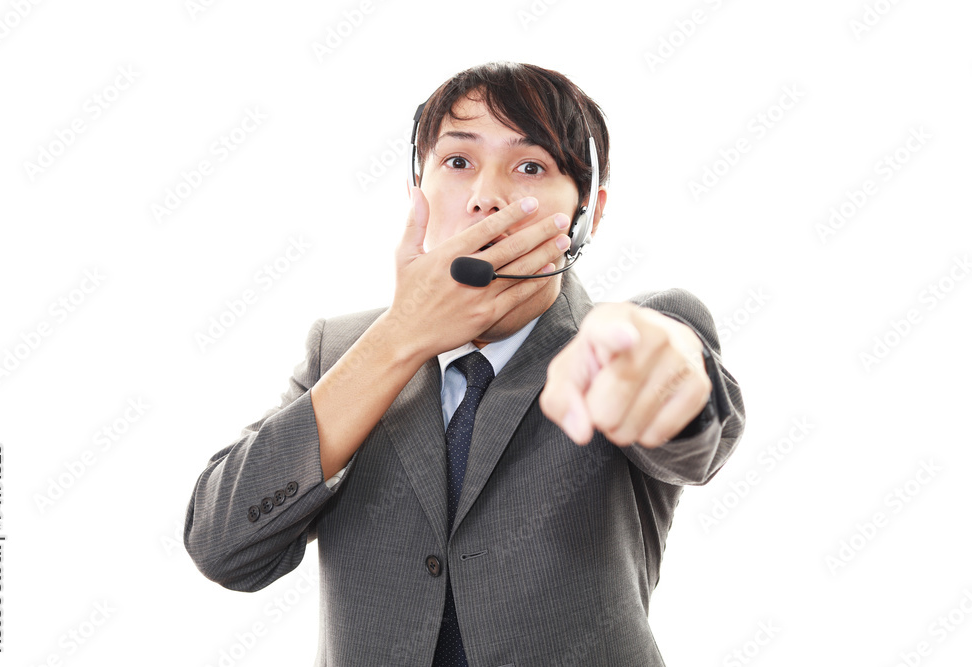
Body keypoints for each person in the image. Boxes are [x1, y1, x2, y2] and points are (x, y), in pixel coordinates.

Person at [184, 61, 745, 666]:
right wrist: (400, 337)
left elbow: (694, 434)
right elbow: (224, 547)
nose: (486, 198)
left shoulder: (626, 338)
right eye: (458, 161)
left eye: (531, 167)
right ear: (415, 189)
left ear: (590, 211)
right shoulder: (342, 351)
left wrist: (667, 376)